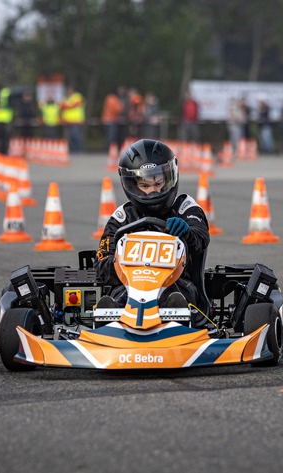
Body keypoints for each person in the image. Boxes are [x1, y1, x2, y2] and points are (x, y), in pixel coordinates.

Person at [95, 139, 210, 326]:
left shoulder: (185, 207)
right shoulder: (122, 218)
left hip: (177, 283)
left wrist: (187, 232)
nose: (154, 191)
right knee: (118, 298)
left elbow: (201, 237)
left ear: (169, 178)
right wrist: (120, 261)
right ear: (132, 186)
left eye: (159, 183)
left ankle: (176, 319)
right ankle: (110, 320)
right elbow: (101, 262)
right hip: (130, 287)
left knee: (175, 296)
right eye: (146, 186)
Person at [61, 86, 85, 152]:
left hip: (76, 121)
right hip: (68, 122)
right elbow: (62, 108)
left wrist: (65, 106)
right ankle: (74, 150)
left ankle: (79, 150)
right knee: (71, 137)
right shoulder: (65, 98)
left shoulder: (77, 97)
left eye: (69, 90)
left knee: (76, 136)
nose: (68, 92)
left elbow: (71, 105)